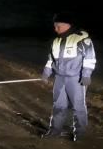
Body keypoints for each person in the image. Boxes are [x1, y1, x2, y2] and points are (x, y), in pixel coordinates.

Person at [41, 12, 97, 141]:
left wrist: (86, 75)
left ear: (67, 25)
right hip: (60, 78)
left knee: (78, 107)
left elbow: (90, 58)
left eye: (58, 26)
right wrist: (46, 72)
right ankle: (54, 131)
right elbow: (51, 59)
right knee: (58, 106)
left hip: (76, 79)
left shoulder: (82, 39)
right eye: (55, 26)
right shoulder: (56, 41)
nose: (55, 29)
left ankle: (80, 134)